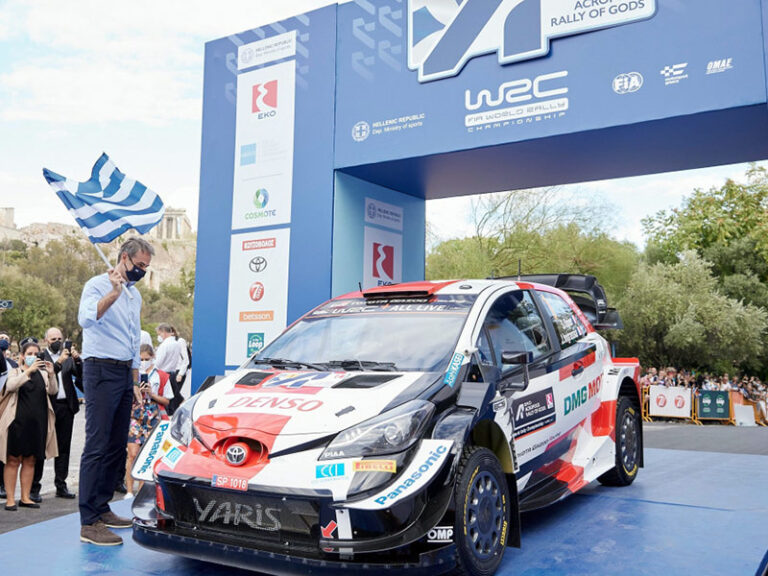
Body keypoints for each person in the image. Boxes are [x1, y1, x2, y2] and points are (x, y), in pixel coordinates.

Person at [77, 237, 154, 546]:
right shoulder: (97, 285)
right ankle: (88, 522)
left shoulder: (135, 296)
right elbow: (86, 318)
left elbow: (134, 340)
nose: (142, 271)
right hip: (100, 368)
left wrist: (135, 381)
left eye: (146, 267)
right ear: (124, 258)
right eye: (139, 265)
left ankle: (102, 507)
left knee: (116, 444)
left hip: (124, 373)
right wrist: (113, 292)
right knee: (97, 444)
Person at [0, 339, 57, 511]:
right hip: (17, 423)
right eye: (29, 354)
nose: (33, 357)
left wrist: (52, 374)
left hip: (37, 423)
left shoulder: (43, 374)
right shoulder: (16, 372)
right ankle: (11, 499)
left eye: (36, 354)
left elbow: (53, 391)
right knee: (13, 460)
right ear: (22, 356)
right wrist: (28, 371)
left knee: (31, 460)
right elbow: (10, 386)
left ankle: (25, 497)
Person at [30, 327, 82, 501]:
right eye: (53, 339)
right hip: (46, 407)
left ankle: (61, 484)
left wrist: (78, 360)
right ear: (46, 340)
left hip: (66, 406)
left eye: (59, 339)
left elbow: (81, 376)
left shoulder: (68, 357)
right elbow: (43, 378)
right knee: (41, 446)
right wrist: (59, 362)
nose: (57, 342)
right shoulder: (40, 358)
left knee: (64, 448)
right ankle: (34, 487)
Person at [124, 344, 173, 497]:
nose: (144, 362)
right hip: (134, 415)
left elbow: (167, 401)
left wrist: (151, 394)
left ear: (153, 357)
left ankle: (141, 491)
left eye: (147, 359)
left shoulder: (161, 376)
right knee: (132, 454)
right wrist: (135, 390)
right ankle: (129, 491)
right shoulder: (131, 375)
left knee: (147, 456)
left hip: (153, 416)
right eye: (141, 359)